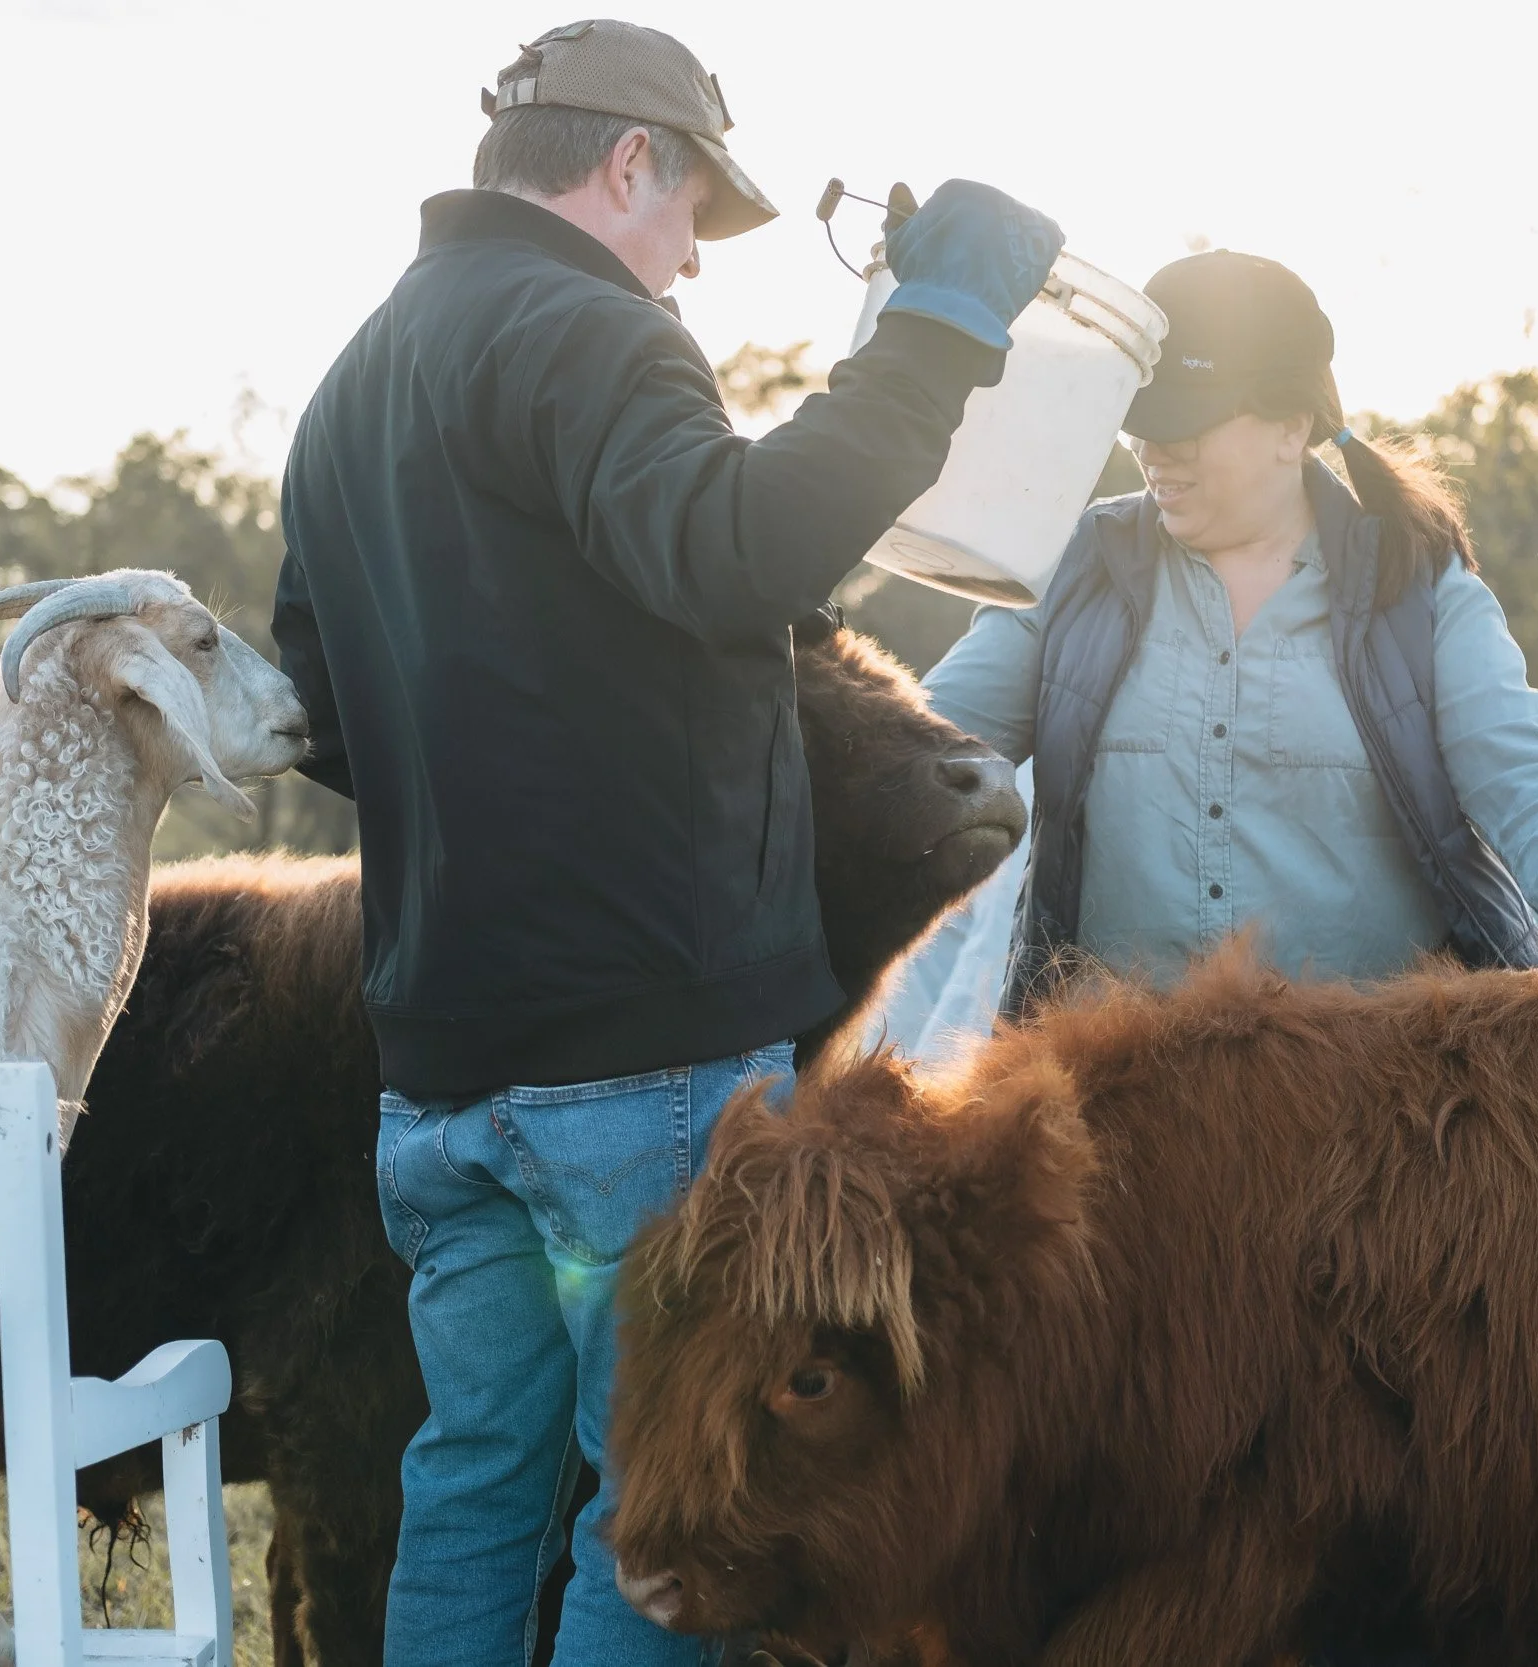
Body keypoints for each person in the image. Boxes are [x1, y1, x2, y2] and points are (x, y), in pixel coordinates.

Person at [267, 19, 1061, 1666]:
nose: (694, 255)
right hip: (641, 1064)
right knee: (673, 1495)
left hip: (441, 1066)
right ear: (630, 158)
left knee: (473, 1472)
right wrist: (935, 331)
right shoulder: (594, 332)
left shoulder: (351, 383)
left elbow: (324, 714)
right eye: (695, 203)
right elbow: (739, 549)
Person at [920, 249, 1538, 1020]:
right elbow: (932, 745)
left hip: (1371, 1110)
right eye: (1140, 422)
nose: (1153, 450)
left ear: (1290, 427)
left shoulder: (1414, 582)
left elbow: (1517, 760)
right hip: (1119, 1107)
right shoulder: (1073, 569)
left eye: (1186, 422)